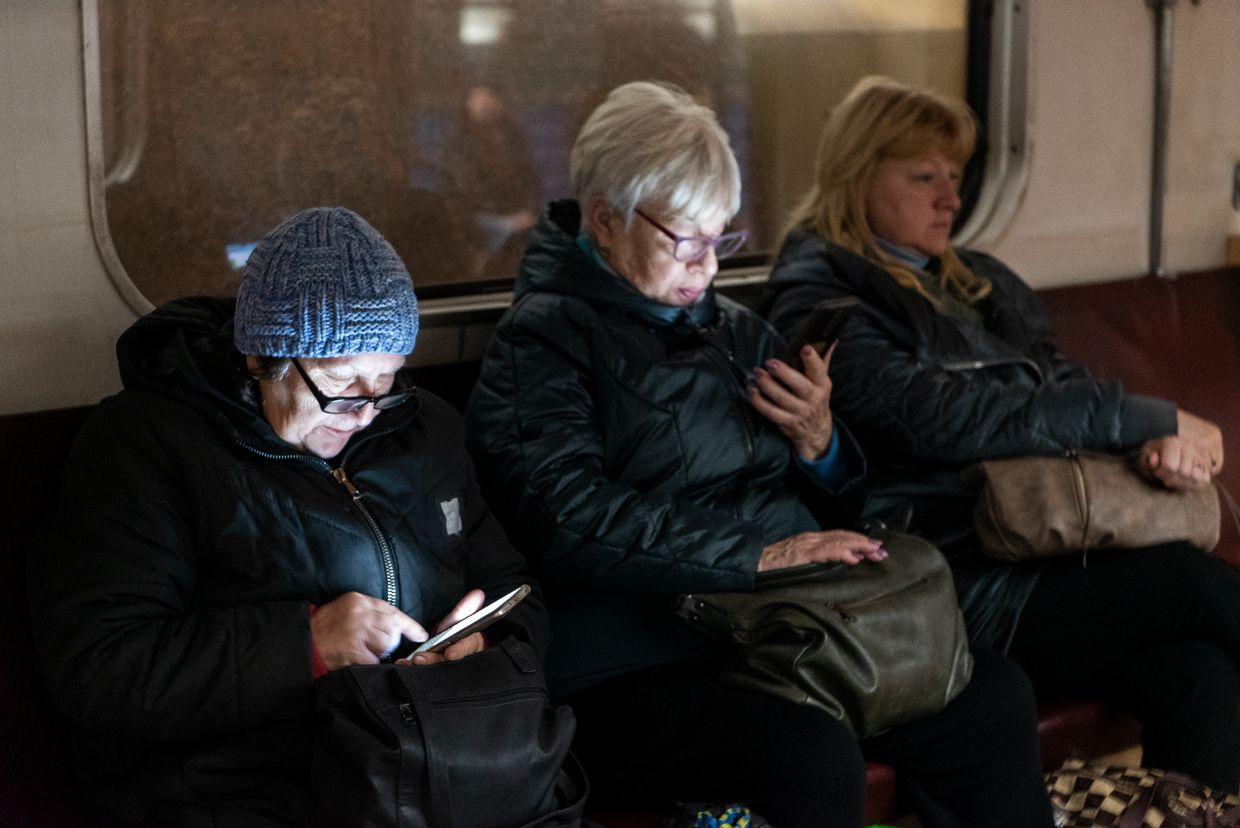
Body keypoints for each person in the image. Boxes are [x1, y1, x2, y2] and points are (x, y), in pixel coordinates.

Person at [465, 80, 1053, 827]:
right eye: (686, 241)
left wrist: (823, 446)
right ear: (606, 222)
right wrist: (760, 555)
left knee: (991, 697)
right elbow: (567, 518)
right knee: (808, 754)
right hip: (637, 655)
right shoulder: (543, 342)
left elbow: (835, 506)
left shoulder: (738, 333)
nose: (707, 267)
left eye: (721, 240)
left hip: (777, 631)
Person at [764, 75, 1240, 792]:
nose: (950, 198)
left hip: (1052, 542)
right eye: (923, 176)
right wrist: (1141, 413)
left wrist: (1138, 447)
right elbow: (942, 416)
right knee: (1186, 584)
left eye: (955, 177)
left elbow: (1059, 379)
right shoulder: (821, 297)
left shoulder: (979, 280)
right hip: (956, 574)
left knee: (1198, 675)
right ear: (856, 176)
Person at [26, 207, 548, 825]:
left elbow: (520, 594)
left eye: (386, 379)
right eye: (340, 381)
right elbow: (102, 667)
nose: (365, 413)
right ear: (260, 358)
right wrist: (308, 645)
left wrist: (483, 643)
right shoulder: (146, 445)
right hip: (237, 780)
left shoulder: (424, 429)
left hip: (423, 756)